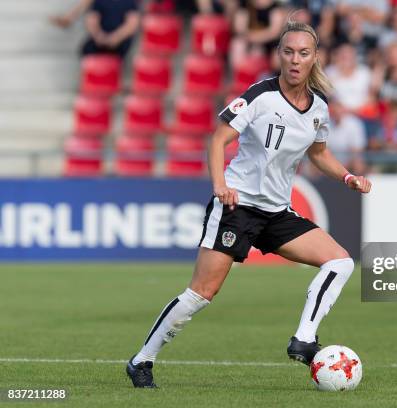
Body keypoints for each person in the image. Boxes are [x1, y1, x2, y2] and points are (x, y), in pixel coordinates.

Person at [126, 19, 372, 388]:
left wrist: (348, 177)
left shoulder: (319, 107)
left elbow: (319, 153)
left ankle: (304, 337)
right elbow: (217, 139)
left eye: (303, 53)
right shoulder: (260, 95)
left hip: (276, 212)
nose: (294, 59)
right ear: (279, 55)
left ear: (314, 58)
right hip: (236, 207)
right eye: (288, 51)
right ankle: (141, 361)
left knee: (340, 262)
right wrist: (220, 185)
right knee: (201, 294)